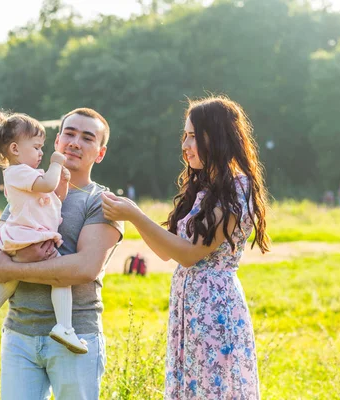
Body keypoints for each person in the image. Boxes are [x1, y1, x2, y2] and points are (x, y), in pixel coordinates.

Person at [102, 96, 270, 399]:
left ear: (215, 137)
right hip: (188, 304)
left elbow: (189, 254)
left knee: (214, 389)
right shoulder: (204, 188)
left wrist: (135, 214)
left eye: (193, 136)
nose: (185, 144)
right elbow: (168, 251)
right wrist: (134, 218)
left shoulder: (237, 188)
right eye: (185, 136)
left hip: (214, 306)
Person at [0, 108, 124, 399]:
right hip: (19, 334)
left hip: (75, 336)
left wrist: (13, 267)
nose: (75, 142)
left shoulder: (103, 202)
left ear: (100, 153)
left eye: (87, 137)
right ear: (56, 142)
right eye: (69, 133)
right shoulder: (29, 189)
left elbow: (84, 269)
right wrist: (8, 262)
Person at [0, 111, 88, 355]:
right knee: (60, 276)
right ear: (15, 149)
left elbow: (55, 197)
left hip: (27, 238)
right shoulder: (16, 172)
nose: (41, 153)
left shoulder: (29, 175)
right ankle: (64, 326)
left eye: (43, 148)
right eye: (36, 147)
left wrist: (61, 181)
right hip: (28, 237)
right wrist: (55, 163)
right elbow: (46, 186)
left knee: (10, 281)